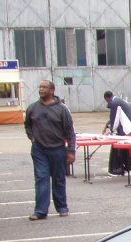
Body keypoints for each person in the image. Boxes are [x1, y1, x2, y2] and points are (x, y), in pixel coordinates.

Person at [24, 80, 76, 220]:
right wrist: (32, 138)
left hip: (58, 149)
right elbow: (27, 125)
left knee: (58, 179)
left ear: (52, 91)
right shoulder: (32, 108)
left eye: (44, 87)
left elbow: (70, 132)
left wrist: (71, 151)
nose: (41, 89)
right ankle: (40, 211)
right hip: (39, 150)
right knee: (41, 178)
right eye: (40, 87)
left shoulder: (62, 109)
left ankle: (62, 207)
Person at [102, 90, 131, 176]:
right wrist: (107, 124)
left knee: (126, 148)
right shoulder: (120, 101)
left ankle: (124, 169)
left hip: (129, 128)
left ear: (107, 98)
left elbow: (114, 119)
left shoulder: (114, 103)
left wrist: (111, 131)